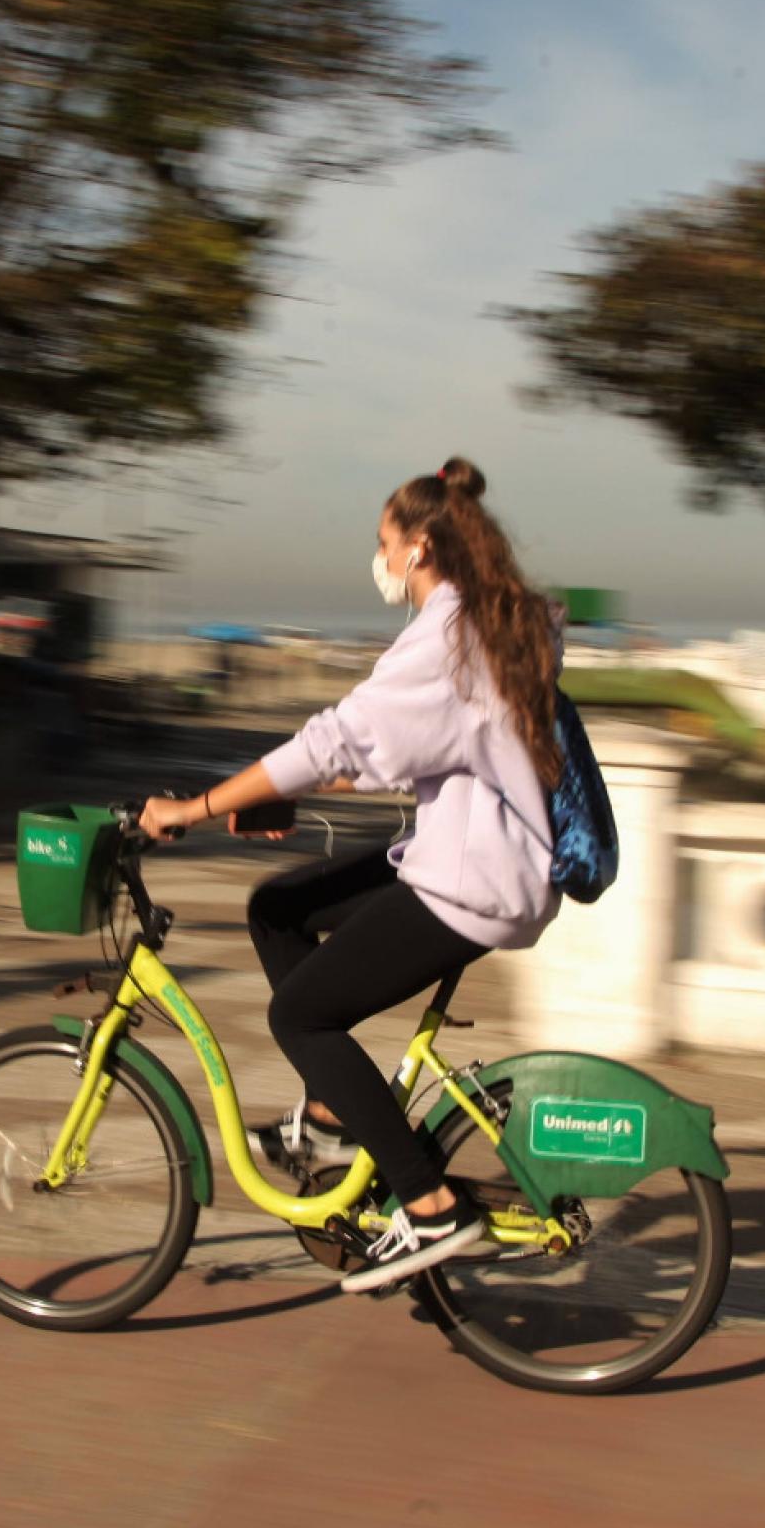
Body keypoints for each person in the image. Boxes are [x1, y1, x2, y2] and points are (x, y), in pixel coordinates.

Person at [139, 457, 563, 1292]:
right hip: (475, 854)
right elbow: (409, 745)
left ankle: (431, 1202)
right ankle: (336, 1118)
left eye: (384, 543)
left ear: (421, 546)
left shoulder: (449, 634)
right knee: (278, 908)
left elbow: (341, 734)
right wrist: (283, 795)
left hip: (474, 882)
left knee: (300, 1016)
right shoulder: (492, 619)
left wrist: (197, 805)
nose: (379, 561)